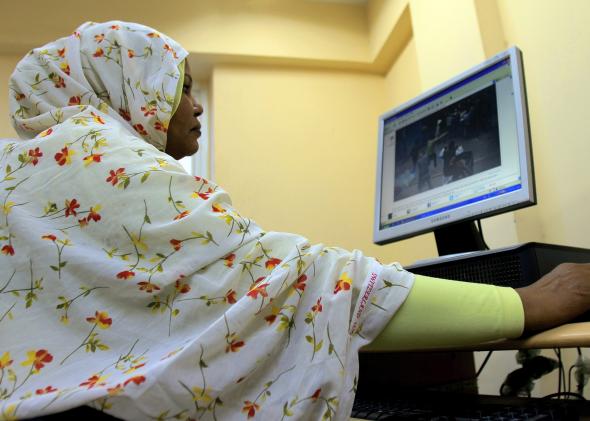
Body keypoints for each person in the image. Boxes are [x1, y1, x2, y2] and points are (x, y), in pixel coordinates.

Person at [1, 21, 589, 421]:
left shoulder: (38, 166)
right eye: (181, 86)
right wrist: (527, 304)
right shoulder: (99, 157)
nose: (197, 105)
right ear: (129, 87)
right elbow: (296, 280)